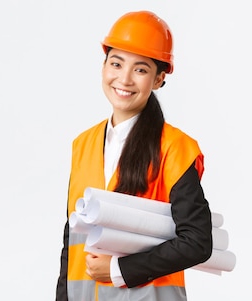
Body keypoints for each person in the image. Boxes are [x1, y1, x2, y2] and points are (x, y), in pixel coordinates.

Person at [54, 10, 213, 301]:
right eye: (116, 63)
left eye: (140, 69)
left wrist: (119, 270)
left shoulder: (175, 147)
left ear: (158, 79)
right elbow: (72, 240)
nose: (124, 78)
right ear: (103, 67)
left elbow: (197, 242)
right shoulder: (83, 144)